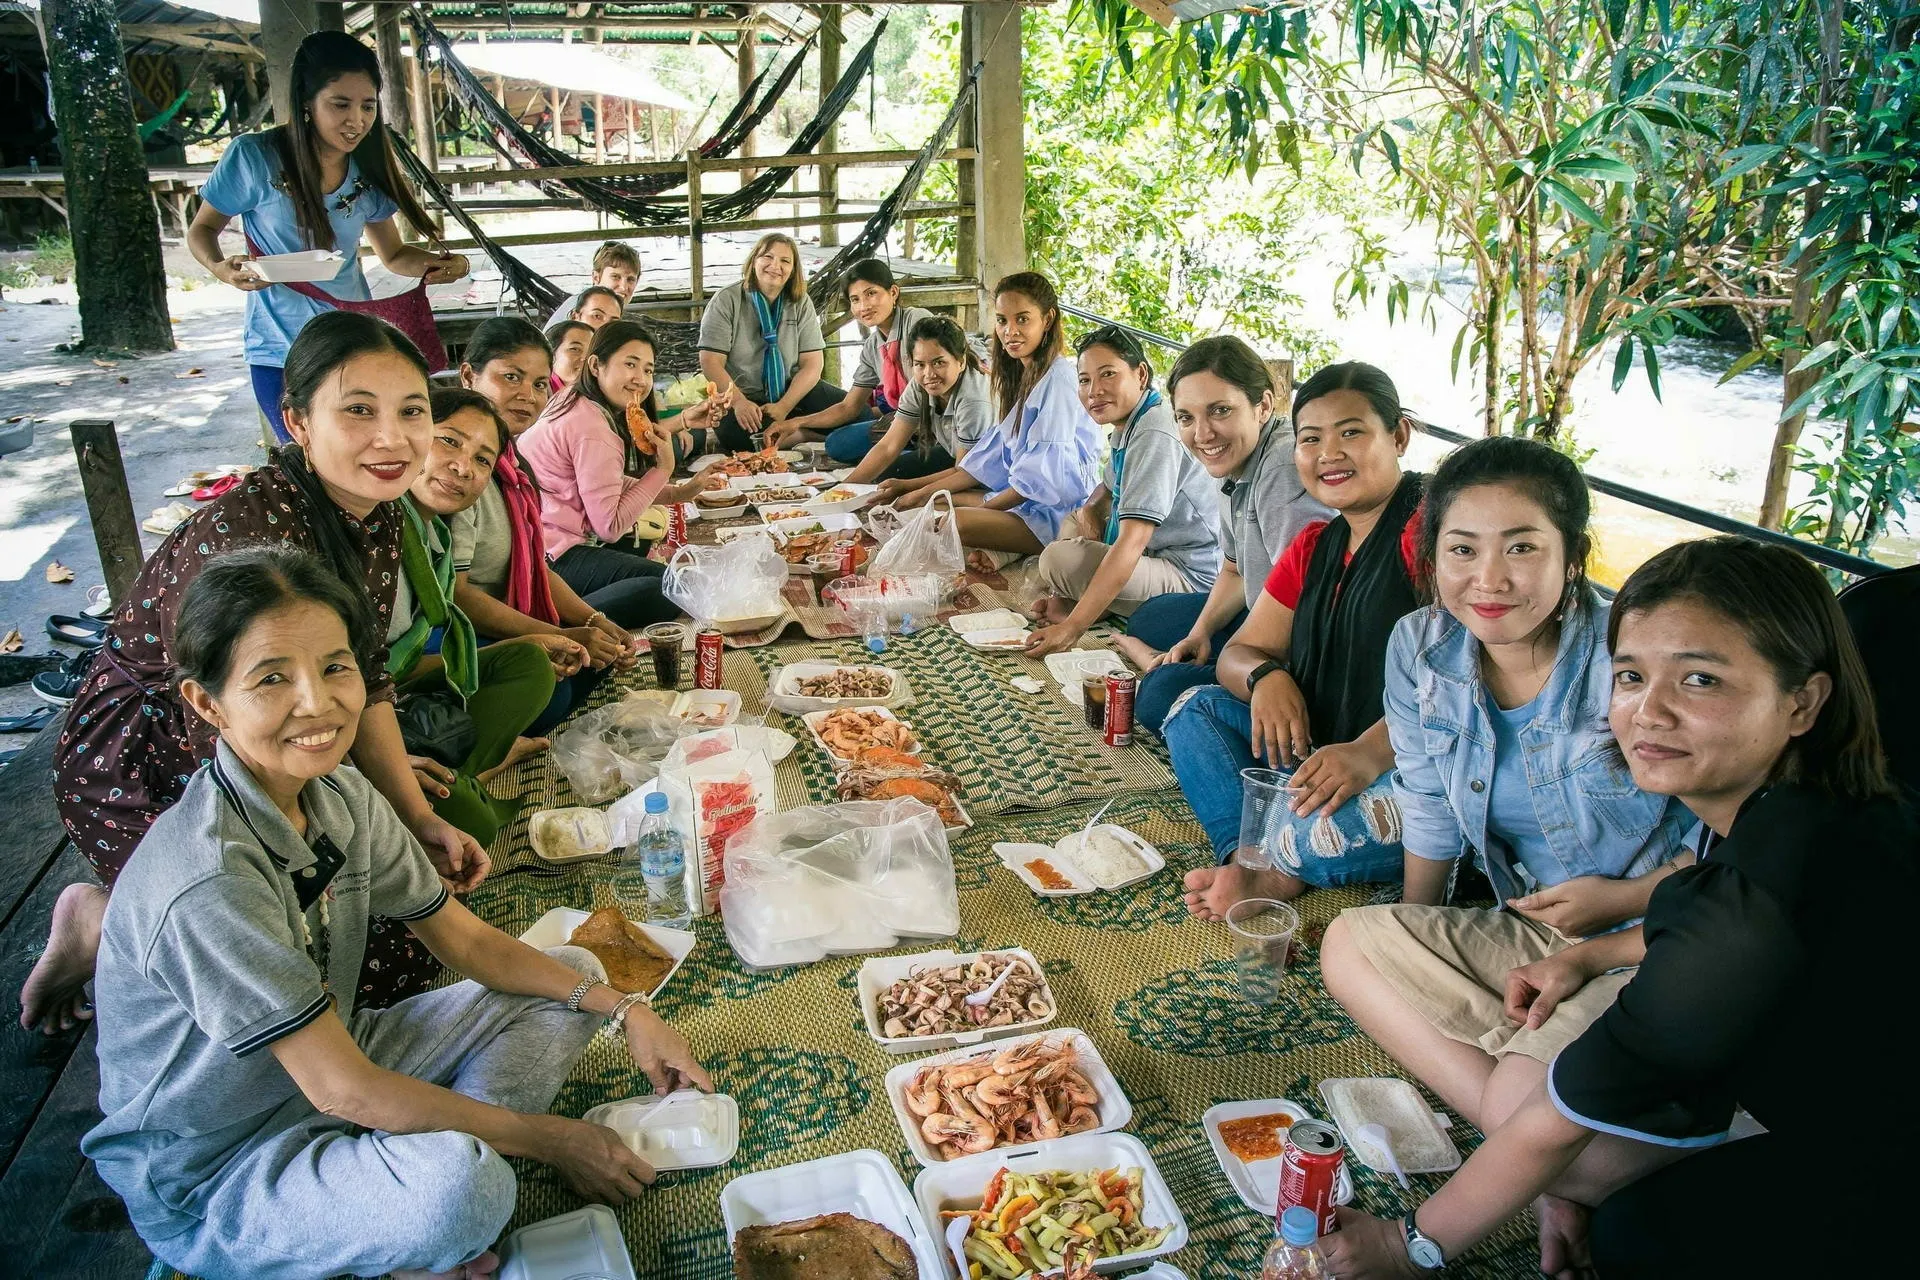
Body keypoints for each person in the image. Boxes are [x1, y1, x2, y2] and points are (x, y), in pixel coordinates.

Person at [84, 547, 711, 1280]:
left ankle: (396, 1188)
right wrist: (550, 1139)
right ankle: (393, 1203)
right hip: (223, 1165)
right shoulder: (208, 881)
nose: (317, 703)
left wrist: (627, 1011)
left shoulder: (340, 796)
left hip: (346, 1057)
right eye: (272, 679)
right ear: (206, 703)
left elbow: (465, 939)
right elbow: (341, 1088)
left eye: (336, 667)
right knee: (466, 1193)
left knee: (572, 974)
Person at [1320, 536, 1914, 1279]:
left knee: (1629, 1228)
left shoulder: (1753, 902)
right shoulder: (1812, 811)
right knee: (1396, 978)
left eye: (1700, 680)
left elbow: (1556, 1118)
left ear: (1802, 702)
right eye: (1630, 675)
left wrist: (1409, 1245)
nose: (1648, 712)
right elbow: (1695, 899)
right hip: (1680, 1003)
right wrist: (1589, 954)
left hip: (1868, 1157)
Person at [24, 312, 488, 1036]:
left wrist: (413, 816)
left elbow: (364, 678)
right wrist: (358, 810)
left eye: (411, 412)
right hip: (158, 753)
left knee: (403, 946)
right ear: (297, 420)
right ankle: (107, 919)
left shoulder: (375, 505)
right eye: (358, 411)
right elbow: (230, 725)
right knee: (335, 968)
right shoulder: (250, 537)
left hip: (276, 729)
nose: (392, 439)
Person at [1318, 436, 1694, 1270]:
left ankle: (1547, 1154)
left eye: (1523, 546)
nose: (1489, 580)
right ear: (1431, 557)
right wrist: (1414, 928)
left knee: (1532, 1099)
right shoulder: (1422, 647)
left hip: (1650, 939)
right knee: (1351, 940)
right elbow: (1429, 811)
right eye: (1463, 549)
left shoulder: (1633, 664)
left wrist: (1619, 906)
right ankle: (1549, 1148)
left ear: (1573, 560)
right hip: (1531, 928)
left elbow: (1723, 861)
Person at [1167, 361, 1423, 915]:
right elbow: (1240, 652)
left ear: (1398, 435)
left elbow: (1467, 679)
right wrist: (1266, 676)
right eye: (1311, 438)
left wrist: (1368, 753)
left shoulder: (1435, 535)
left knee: (1322, 840)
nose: (1329, 453)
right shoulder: (1314, 544)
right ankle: (1253, 858)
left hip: (1409, 768)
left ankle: (1280, 855)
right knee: (1193, 709)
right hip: (1319, 751)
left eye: (1351, 432)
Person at [188, 31, 468, 442]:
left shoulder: (367, 170)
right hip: (278, 347)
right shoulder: (255, 157)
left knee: (362, 458)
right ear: (307, 101)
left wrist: (443, 264)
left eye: (368, 106)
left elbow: (393, 255)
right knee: (307, 462)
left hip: (350, 343)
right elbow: (202, 229)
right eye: (340, 104)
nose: (356, 120)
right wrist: (220, 268)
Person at [1111, 336, 1332, 733]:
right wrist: (1201, 633)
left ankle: (1184, 673)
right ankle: (1180, 659)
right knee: (1149, 619)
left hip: (1302, 640)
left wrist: (1235, 657)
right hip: (1258, 606)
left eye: (1221, 411)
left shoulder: (1282, 470)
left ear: (1263, 406)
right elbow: (1234, 568)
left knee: (1158, 695)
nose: (1203, 434)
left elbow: (1302, 603)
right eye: (1186, 418)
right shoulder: (1231, 461)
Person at [394, 389, 581, 848]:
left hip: (390, 689)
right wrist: (548, 633)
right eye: (449, 442)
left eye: (482, 459)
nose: (463, 467)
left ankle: (465, 765)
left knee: (538, 670)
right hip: (358, 723)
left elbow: (539, 565)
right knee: (472, 824)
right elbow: (369, 685)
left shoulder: (432, 530)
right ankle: (481, 765)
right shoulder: (375, 533)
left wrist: (549, 637)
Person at [452, 321, 657, 727]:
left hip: (535, 584)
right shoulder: (460, 470)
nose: (527, 396)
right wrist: (555, 636)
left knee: (596, 651)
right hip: (469, 630)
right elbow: (458, 596)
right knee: (555, 691)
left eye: (540, 384)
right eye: (511, 377)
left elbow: (535, 565)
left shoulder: (513, 463)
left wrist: (593, 622)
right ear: (468, 375)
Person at [1025, 325, 1221, 657]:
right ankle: (1090, 600)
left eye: (1108, 375)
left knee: (1059, 559)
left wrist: (1071, 630)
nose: (1094, 391)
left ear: (1140, 374)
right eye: (1085, 380)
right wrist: (1090, 511)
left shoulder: (1154, 433)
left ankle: (1086, 607)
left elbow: (1133, 541)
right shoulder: (1132, 422)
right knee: (1076, 519)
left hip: (1189, 575)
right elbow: (1107, 485)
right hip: (1151, 555)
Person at [878, 272, 1103, 558]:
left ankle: (1007, 550)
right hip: (1028, 502)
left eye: (1022, 319)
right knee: (939, 502)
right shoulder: (1026, 375)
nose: (1010, 331)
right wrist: (912, 490)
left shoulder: (1058, 380)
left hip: (1057, 514)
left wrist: (979, 512)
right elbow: (984, 463)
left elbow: (1036, 483)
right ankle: (1000, 548)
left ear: (1047, 320)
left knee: (953, 520)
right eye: (1002, 320)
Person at [518, 320, 728, 597]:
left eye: (648, 369)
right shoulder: (593, 429)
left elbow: (606, 485)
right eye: (630, 364)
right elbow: (610, 528)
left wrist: (680, 492)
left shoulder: (573, 400)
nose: (640, 378)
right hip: (550, 556)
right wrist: (664, 469)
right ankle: (563, 616)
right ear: (595, 366)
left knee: (641, 546)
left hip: (537, 544)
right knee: (670, 588)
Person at [764, 258, 932, 464]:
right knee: (837, 444)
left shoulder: (917, 320)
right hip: (900, 421)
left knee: (887, 464)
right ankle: (902, 456)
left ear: (893, 292)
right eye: (855, 299)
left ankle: (908, 458)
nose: (864, 306)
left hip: (933, 419)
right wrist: (796, 423)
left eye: (871, 293)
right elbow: (849, 407)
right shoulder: (872, 347)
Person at [697, 232, 844, 452]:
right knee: (743, 439)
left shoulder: (800, 301)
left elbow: (813, 364)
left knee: (856, 413)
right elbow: (710, 361)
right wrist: (738, 402)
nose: (775, 266)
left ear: (793, 270)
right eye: (768, 257)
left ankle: (792, 430)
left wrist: (785, 406)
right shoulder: (726, 300)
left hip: (791, 390)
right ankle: (807, 436)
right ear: (753, 260)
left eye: (785, 261)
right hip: (743, 393)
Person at [844, 314, 993, 485]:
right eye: (920, 364)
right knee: (887, 473)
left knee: (924, 496)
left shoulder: (974, 400)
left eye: (939, 363)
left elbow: (964, 475)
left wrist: (908, 488)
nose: (929, 374)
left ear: (961, 362)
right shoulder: (920, 385)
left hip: (987, 473)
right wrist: (844, 489)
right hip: (958, 457)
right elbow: (888, 446)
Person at [545, 238, 641, 327]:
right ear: (596, 278)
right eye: (615, 277)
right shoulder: (583, 307)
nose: (623, 287)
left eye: (630, 279)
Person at [545, 319, 591, 391]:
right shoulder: (538, 392)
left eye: (591, 351)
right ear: (551, 353)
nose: (586, 358)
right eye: (575, 349)